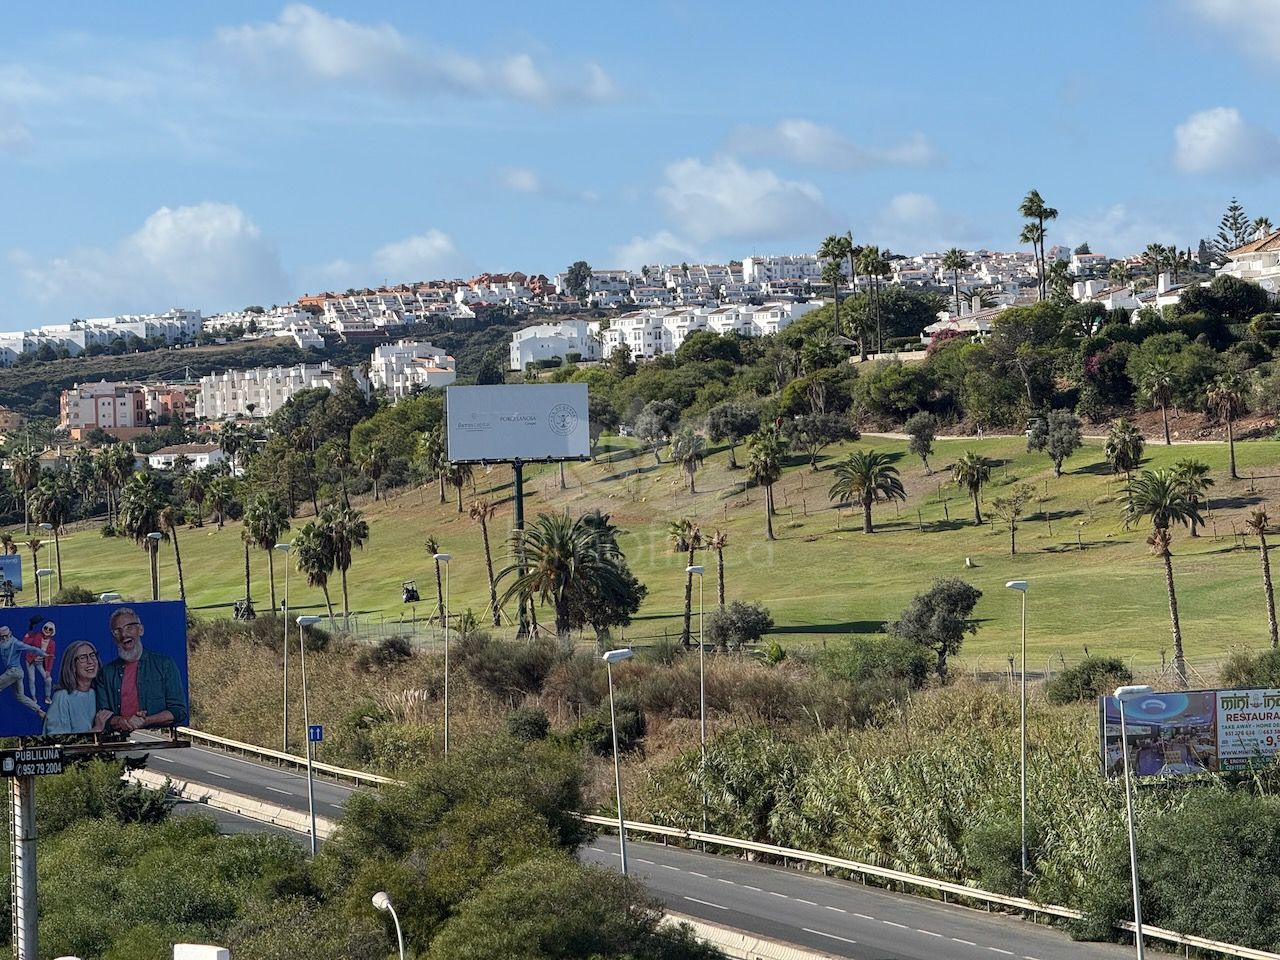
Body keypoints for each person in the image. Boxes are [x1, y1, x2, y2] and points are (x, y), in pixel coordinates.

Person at [94, 607, 189, 732]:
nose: (124, 635)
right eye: (117, 631)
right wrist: (121, 721)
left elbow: (178, 711)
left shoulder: (165, 664)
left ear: (141, 630)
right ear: (113, 637)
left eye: (129, 627)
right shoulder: (105, 673)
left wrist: (146, 721)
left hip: (158, 737)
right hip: (117, 739)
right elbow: (102, 714)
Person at [44, 641, 113, 736]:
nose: (90, 661)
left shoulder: (99, 693)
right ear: (72, 665)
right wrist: (96, 730)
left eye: (92, 655)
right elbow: (58, 741)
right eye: (83, 658)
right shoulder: (62, 697)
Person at [0, 624, 48, 719]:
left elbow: (31, 648)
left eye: (6, 635)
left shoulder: (16, 643)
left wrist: (43, 653)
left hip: (14, 672)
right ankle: (40, 711)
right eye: (2, 636)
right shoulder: (2, 643)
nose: (4, 638)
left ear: (10, 634)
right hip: (17, 673)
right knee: (20, 696)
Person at [24, 619, 55, 708]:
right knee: (31, 679)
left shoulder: (52, 643)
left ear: (53, 632)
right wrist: (28, 632)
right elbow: (25, 642)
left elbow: (50, 658)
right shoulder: (37, 636)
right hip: (30, 660)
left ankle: (48, 697)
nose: (47, 630)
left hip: (40, 663)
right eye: (46, 628)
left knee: (48, 679)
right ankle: (33, 698)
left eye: (50, 629)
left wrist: (48, 670)